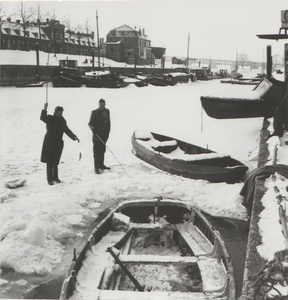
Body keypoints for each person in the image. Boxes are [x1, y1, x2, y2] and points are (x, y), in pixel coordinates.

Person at [40, 103, 80, 185]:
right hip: (49, 142)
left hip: (58, 143)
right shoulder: (50, 118)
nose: (60, 115)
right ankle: (49, 179)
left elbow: (66, 130)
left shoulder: (63, 120)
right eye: (59, 113)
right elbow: (42, 118)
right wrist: (44, 109)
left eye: (61, 113)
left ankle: (55, 177)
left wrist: (74, 137)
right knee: (49, 161)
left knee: (56, 161)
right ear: (55, 112)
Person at [88, 99, 111, 174]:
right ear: (98, 105)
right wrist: (92, 128)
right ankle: (96, 167)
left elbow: (108, 122)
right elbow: (90, 123)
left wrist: (108, 132)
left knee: (103, 150)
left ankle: (101, 165)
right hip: (97, 135)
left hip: (104, 135)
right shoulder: (94, 112)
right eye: (100, 105)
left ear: (105, 104)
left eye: (103, 105)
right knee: (96, 152)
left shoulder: (107, 111)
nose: (102, 106)